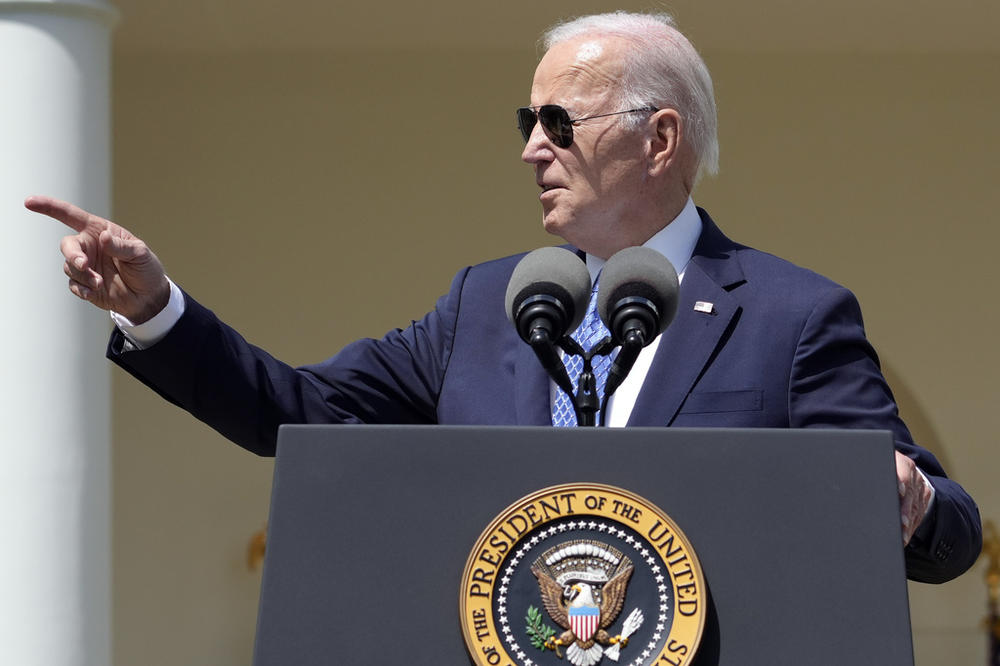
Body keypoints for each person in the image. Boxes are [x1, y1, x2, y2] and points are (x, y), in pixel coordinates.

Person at [26, 11, 980, 583]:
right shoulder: (489, 306)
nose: (532, 148)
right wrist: (157, 312)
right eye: (529, 121)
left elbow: (943, 527)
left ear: (659, 139)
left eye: (560, 122)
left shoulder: (790, 316)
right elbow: (301, 414)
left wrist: (913, 501)